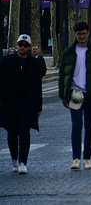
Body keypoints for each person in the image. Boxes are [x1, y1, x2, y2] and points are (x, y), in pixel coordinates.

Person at [59, 21, 91, 170]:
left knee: (89, 127)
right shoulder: (69, 52)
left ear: (88, 33)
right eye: (79, 34)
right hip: (75, 93)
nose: (81, 36)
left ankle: (87, 158)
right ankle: (76, 158)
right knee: (76, 125)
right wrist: (63, 95)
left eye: (84, 33)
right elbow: (63, 73)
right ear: (75, 34)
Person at [0, 34, 46, 174]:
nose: (22, 47)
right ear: (17, 45)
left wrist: (39, 107)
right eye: (20, 45)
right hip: (9, 101)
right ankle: (14, 158)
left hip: (27, 101)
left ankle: (23, 162)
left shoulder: (34, 63)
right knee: (12, 131)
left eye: (25, 45)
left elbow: (38, 86)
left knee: (24, 131)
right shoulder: (6, 61)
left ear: (29, 47)